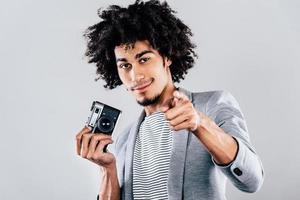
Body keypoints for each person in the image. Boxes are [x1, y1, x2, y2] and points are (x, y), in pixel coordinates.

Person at [75, 0, 264, 199]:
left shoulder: (212, 105)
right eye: (125, 65)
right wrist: (107, 169)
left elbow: (252, 181)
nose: (135, 76)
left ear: (167, 57)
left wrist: (200, 125)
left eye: (144, 59)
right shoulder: (123, 140)